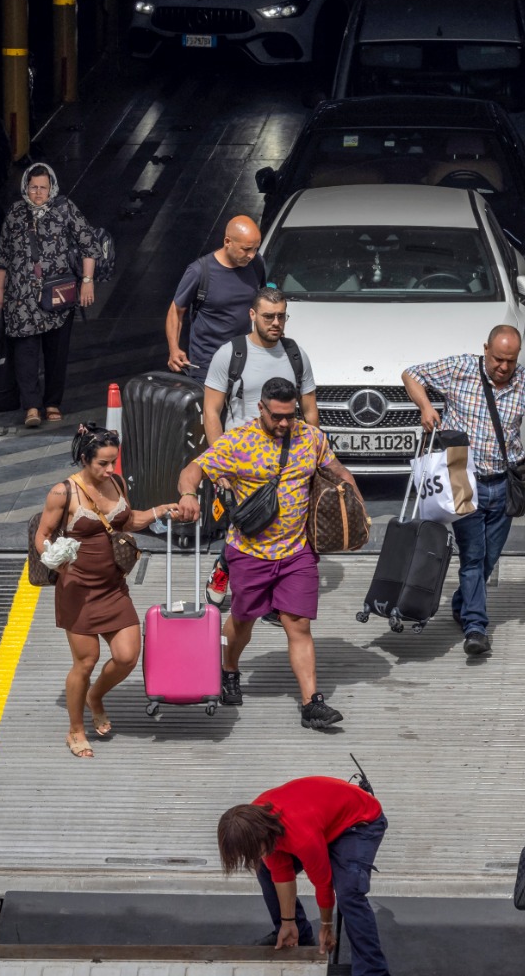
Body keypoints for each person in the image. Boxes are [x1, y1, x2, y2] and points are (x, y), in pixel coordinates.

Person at [175, 377, 360, 729]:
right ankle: (229, 667)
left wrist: (353, 498)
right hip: (249, 551)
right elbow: (193, 469)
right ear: (261, 408)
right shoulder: (238, 442)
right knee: (243, 620)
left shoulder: (311, 438)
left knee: (298, 624)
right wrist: (187, 494)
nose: (284, 424)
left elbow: (334, 468)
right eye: (276, 416)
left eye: (290, 415)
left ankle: (311, 703)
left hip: (297, 551)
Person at [402, 325, 525, 657]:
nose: (503, 368)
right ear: (485, 349)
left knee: (488, 558)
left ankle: (462, 603)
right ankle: (476, 626)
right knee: (473, 555)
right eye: (499, 359)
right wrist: (426, 407)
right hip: (461, 474)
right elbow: (411, 374)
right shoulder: (459, 368)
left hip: (505, 482)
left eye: (511, 362)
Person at [33, 424, 185, 757]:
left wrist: (161, 509)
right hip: (78, 590)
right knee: (85, 662)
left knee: (127, 655)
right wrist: (53, 557)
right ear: (85, 458)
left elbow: (127, 521)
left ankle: (95, 696)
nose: (109, 469)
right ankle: (75, 730)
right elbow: (42, 534)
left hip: (113, 587)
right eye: (102, 463)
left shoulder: (115, 483)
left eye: (113, 462)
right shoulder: (63, 492)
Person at [218, 776, 389, 975]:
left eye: (255, 850)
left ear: (262, 835)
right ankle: (295, 933)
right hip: (320, 822)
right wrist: (287, 922)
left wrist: (326, 926)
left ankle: (373, 970)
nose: (253, 855)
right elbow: (281, 874)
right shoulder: (255, 824)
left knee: (349, 892)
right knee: (265, 870)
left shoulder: (301, 837)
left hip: (359, 822)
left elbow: (323, 883)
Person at [0, 163, 100, 429]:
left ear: (51, 187)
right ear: (25, 188)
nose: (38, 193)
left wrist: (87, 282)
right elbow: (3, 253)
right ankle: (31, 406)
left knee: (56, 351)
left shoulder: (65, 209)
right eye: (33, 187)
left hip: (57, 296)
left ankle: (52, 402)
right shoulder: (16, 213)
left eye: (43, 187)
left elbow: (89, 244)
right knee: (25, 353)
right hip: (21, 297)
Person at [203, 287, 320, 443]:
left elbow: (310, 411)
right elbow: (211, 411)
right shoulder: (229, 354)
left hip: (286, 456)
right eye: (268, 317)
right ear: (252, 315)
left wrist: (315, 454)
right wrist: (219, 458)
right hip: (241, 454)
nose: (276, 323)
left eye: (281, 316)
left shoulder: (297, 355)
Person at [165, 215, 266, 381]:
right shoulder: (199, 272)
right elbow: (176, 311)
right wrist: (174, 349)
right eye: (246, 249)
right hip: (208, 364)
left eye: (256, 249)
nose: (251, 255)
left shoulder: (256, 264)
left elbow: (261, 302)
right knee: (211, 408)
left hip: (245, 360)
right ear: (227, 242)